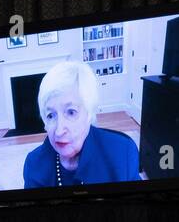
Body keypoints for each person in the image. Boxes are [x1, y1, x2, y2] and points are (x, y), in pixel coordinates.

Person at [22, 61, 139, 189]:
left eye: (71, 112)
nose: (59, 131)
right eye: (50, 115)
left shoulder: (123, 153)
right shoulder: (33, 165)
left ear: (89, 114)